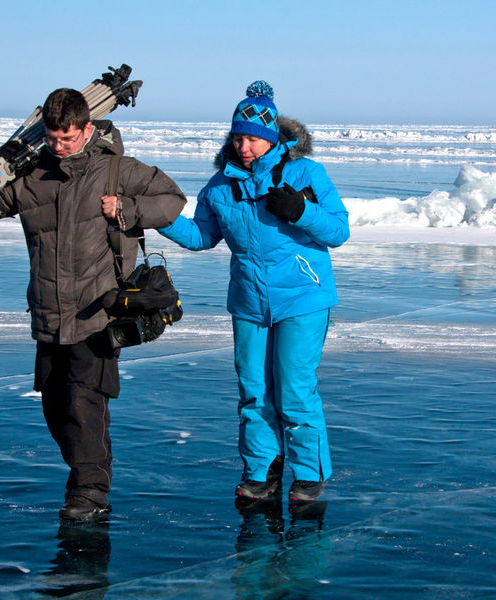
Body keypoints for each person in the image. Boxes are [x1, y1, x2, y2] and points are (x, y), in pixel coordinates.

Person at [0, 88, 186, 521]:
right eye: (53, 138)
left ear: (87, 129)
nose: (59, 147)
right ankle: (86, 477)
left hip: (97, 309)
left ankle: (90, 492)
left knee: (84, 401)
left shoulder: (117, 170)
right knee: (55, 404)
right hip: (47, 309)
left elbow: (172, 199)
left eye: (68, 139)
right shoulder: (35, 174)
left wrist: (126, 209)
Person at [149, 80, 349, 502]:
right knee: (254, 390)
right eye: (239, 137)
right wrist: (159, 218)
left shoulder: (305, 173)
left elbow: (339, 231)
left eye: (254, 138)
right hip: (249, 301)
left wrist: (301, 210)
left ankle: (310, 473)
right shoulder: (221, 187)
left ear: (272, 137)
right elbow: (202, 235)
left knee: (294, 389)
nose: (244, 146)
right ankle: (263, 470)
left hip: (303, 296)